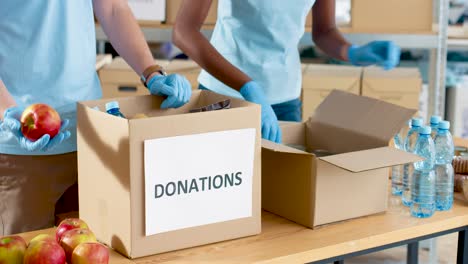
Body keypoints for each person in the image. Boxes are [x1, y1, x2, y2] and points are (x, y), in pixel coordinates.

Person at [0, 1, 192, 235]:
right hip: (22, 147)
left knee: (93, 248)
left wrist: (151, 71)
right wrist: (6, 110)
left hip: (89, 132)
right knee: (28, 253)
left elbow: (112, 8)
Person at [172, 0, 401, 143]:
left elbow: (324, 31)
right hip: (225, 95)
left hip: (284, 100)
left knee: (279, 199)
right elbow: (183, 31)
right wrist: (247, 86)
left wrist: (353, 52)